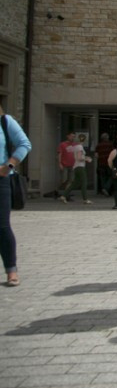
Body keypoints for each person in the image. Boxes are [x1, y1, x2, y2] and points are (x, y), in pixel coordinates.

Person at [1, 106, 32, 287]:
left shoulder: (5, 121)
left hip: (1, 179)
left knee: (2, 226)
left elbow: (24, 144)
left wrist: (9, 166)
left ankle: (11, 270)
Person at [60, 136, 92, 205]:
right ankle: (85, 199)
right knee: (84, 182)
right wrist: (87, 159)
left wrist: (85, 157)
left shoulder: (76, 147)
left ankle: (64, 195)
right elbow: (79, 158)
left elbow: (77, 157)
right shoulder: (80, 147)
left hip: (76, 166)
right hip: (80, 167)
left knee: (75, 183)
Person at [57, 131, 76, 199]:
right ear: (68, 136)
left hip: (72, 165)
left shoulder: (75, 145)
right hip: (64, 164)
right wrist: (59, 163)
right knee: (63, 180)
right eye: (71, 136)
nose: (72, 138)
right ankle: (57, 190)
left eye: (74, 136)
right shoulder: (63, 144)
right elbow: (60, 154)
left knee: (70, 180)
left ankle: (66, 194)